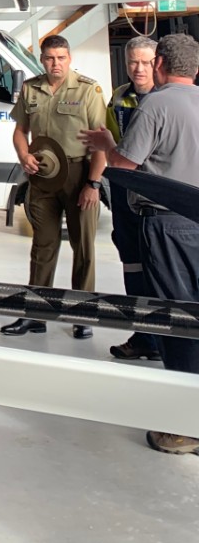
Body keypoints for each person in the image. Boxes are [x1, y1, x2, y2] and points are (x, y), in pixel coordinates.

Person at [80, 33, 199, 455]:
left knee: (178, 318)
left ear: (162, 65)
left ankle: (186, 427)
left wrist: (106, 146)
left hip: (168, 224)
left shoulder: (157, 105)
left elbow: (126, 165)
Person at [1, 33, 107, 338]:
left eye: (61, 58)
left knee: (83, 247)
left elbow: (101, 143)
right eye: (49, 58)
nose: (55, 63)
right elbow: (20, 131)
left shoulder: (88, 90)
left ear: (69, 58)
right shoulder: (31, 88)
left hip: (78, 175)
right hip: (43, 176)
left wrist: (93, 184)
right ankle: (35, 314)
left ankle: (83, 315)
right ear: (42, 59)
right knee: (42, 246)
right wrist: (23, 155)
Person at [106, 37, 160, 362]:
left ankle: (167, 339)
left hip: (156, 198)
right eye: (132, 62)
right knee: (132, 263)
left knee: (162, 268)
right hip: (125, 194)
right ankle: (144, 335)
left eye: (146, 62)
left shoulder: (166, 100)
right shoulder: (119, 97)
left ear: (158, 63)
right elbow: (113, 146)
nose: (139, 69)